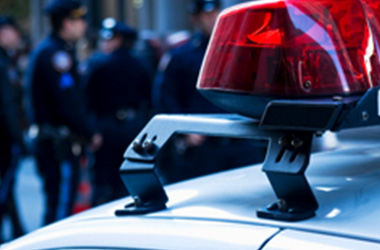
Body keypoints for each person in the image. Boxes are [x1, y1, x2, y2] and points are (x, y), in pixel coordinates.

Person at [153, 0, 266, 184]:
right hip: (204, 145)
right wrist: (184, 131)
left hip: (242, 142)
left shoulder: (240, 50)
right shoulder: (181, 56)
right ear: (196, 18)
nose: (212, 19)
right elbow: (166, 97)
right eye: (207, 15)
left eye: (215, 13)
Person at [26, 0, 102, 225]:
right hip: (58, 143)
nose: (84, 26)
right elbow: (68, 103)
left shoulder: (55, 51)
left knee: (59, 204)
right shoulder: (56, 55)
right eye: (79, 21)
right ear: (66, 24)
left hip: (56, 141)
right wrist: (89, 133)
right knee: (59, 210)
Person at [85, 18, 152, 206]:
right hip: (133, 128)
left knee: (104, 182)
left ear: (118, 40)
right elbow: (149, 99)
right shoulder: (140, 64)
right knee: (129, 181)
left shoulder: (98, 65)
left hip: (106, 128)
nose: (104, 44)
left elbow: (87, 100)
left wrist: (92, 130)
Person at [0, 15, 26, 242]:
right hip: (5, 138)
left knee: (7, 187)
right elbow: (8, 106)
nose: (16, 36)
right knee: (6, 184)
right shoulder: (3, 64)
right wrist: (19, 139)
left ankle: (17, 229)